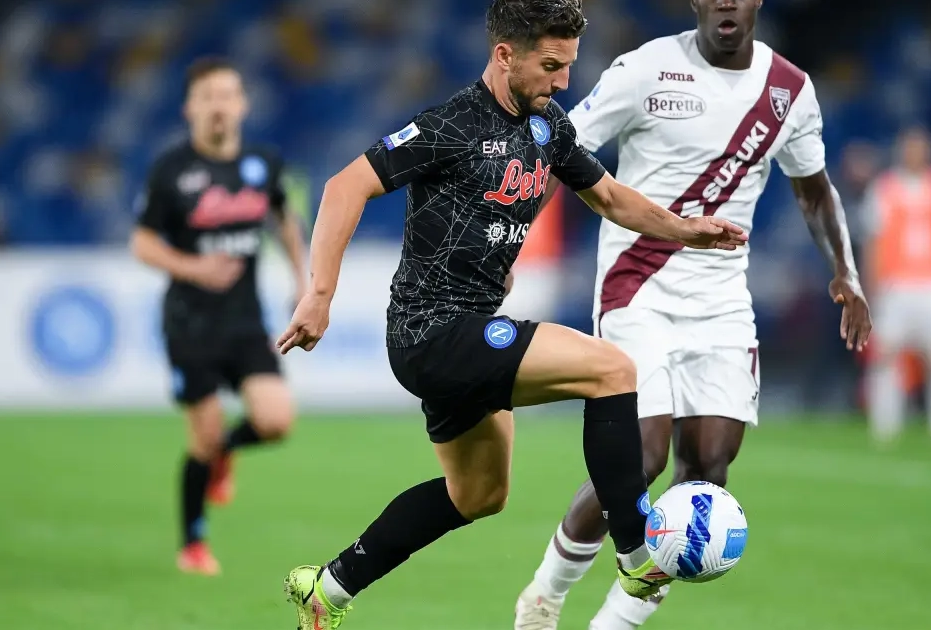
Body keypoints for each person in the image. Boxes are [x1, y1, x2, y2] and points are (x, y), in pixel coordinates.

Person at [276, 1, 755, 628]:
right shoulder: (452, 124)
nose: (564, 81)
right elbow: (345, 186)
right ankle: (638, 556)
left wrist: (685, 230)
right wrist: (320, 294)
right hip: (432, 329)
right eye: (551, 66)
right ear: (505, 55)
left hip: (469, 332)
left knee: (479, 494)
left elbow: (610, 197)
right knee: (611, 370)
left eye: (569, 65)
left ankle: (328, 589)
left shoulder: (547, 126)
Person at [513, 0, 871, 627]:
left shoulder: (789, 90)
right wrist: (508, 243)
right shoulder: (644, 69)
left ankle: (613, 623)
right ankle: (545, 595)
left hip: (722, 302)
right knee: (641, 459)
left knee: (707, 477)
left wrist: (847, 271)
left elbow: (814, 190)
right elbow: (559, 152)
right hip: (637, 288)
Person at [129, 57, 308, 575]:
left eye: (228, 95)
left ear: (242, 105)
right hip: (190, 324)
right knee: (202, 438)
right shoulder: (171, 170)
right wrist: (194, 268)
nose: (218, 106)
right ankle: (193, 543)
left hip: (246, 321)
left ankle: (228, 451)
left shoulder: (262, 164)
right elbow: (142, 243)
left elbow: (285, 219)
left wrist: (303, 280)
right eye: (207, 97)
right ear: (190, 108)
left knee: (276, 421)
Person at [862, 126, 931, 447]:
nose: (914, 154)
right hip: (895, 284)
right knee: (886, 354)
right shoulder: (883, 191)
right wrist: (870, 286)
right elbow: (873, 243)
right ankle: (885, 424)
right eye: (910, 147)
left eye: (920, 148)